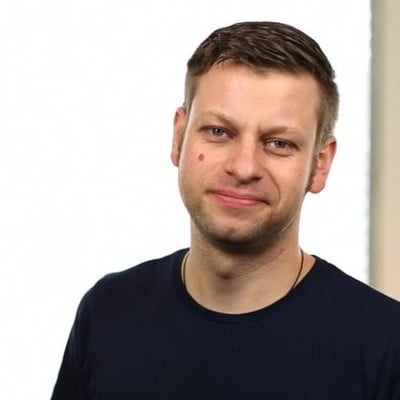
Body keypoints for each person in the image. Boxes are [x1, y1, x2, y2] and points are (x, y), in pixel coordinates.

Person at [52, 21, 400, 399]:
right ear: (179, 137)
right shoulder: (108, 313)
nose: (244, 167)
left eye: (278, 143)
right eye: (219, 132)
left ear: (320, 164)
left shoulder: (386, 344)